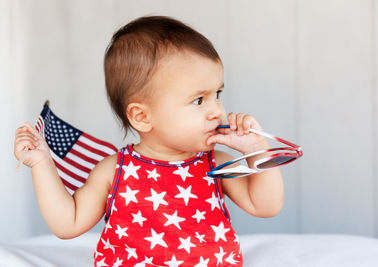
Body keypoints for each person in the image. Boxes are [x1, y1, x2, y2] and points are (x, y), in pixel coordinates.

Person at [14, 16, 284, 267]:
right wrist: (42, 164)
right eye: (199, 100)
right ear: (141, 117)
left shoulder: (217, 165)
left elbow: (266, 206)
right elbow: (67, 223)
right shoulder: (114, 170)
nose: (217, 110)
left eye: (218, 93)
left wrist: (258, 151)